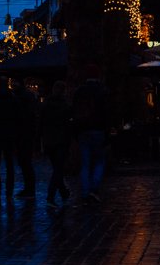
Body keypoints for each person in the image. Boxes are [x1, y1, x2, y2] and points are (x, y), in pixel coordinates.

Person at [71, 68, 110, 203]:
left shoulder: (79, 91)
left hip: (83, 130)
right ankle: (94, 188)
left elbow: (73, 111)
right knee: (99, 161)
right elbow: (107, 113)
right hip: (98, 130)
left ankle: (85, 191)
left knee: (85, 163)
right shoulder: (102, 91)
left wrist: (76, 131)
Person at [41, 80, 73, 209]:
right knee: (58, 169)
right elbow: (69, 123)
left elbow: (41, 123)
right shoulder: (65, 106)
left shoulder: (46, 104)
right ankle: (51, 196)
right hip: (61, 141)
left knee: (57, 168)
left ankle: (63, 191)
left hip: (49, 141)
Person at [12, 78, 40, 197]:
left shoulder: (20, 97)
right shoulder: (26, 96)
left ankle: (29, 188)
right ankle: (29, 188)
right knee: (25, 162)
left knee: (25, 162)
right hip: (25, 132)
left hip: (24, 133)